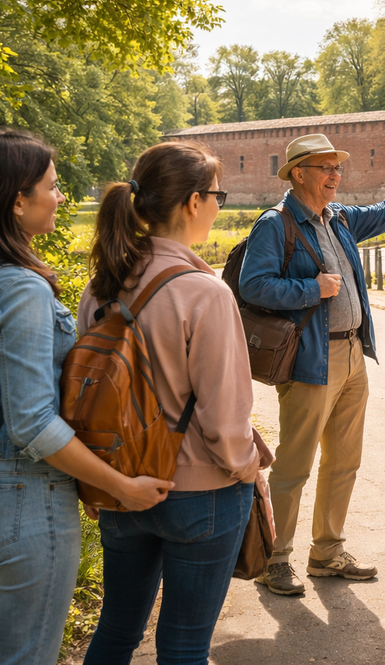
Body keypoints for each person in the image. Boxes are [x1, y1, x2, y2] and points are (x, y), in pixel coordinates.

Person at [0, 128, 170, 665]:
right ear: (18, 200)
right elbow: (34, 424)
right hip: (27, 500)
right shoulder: (19, 289)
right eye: (53, 186)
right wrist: (122, 487)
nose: (61, 197)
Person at [240, 133, 385, 595]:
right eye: (325, 167)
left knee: (344, 461)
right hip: (310, 357)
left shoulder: (339, 217)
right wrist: (312, 289)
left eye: (337, 168)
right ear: (298, 173)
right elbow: (253, 285)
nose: (335, 175)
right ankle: (277, 559)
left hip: (350, 354)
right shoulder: (276, 224)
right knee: (295, 464)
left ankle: (326, 552)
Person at [79, 141, 272, 664]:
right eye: (217, 195)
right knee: (185, 644)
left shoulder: (101, 288)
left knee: (116, 631)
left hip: (122, 484)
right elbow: (224, 415)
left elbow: (83, 394)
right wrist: (249, 468)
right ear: (192, 202)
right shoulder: (205, 292)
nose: (218, 205)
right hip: (201, 493)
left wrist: (97, 478)